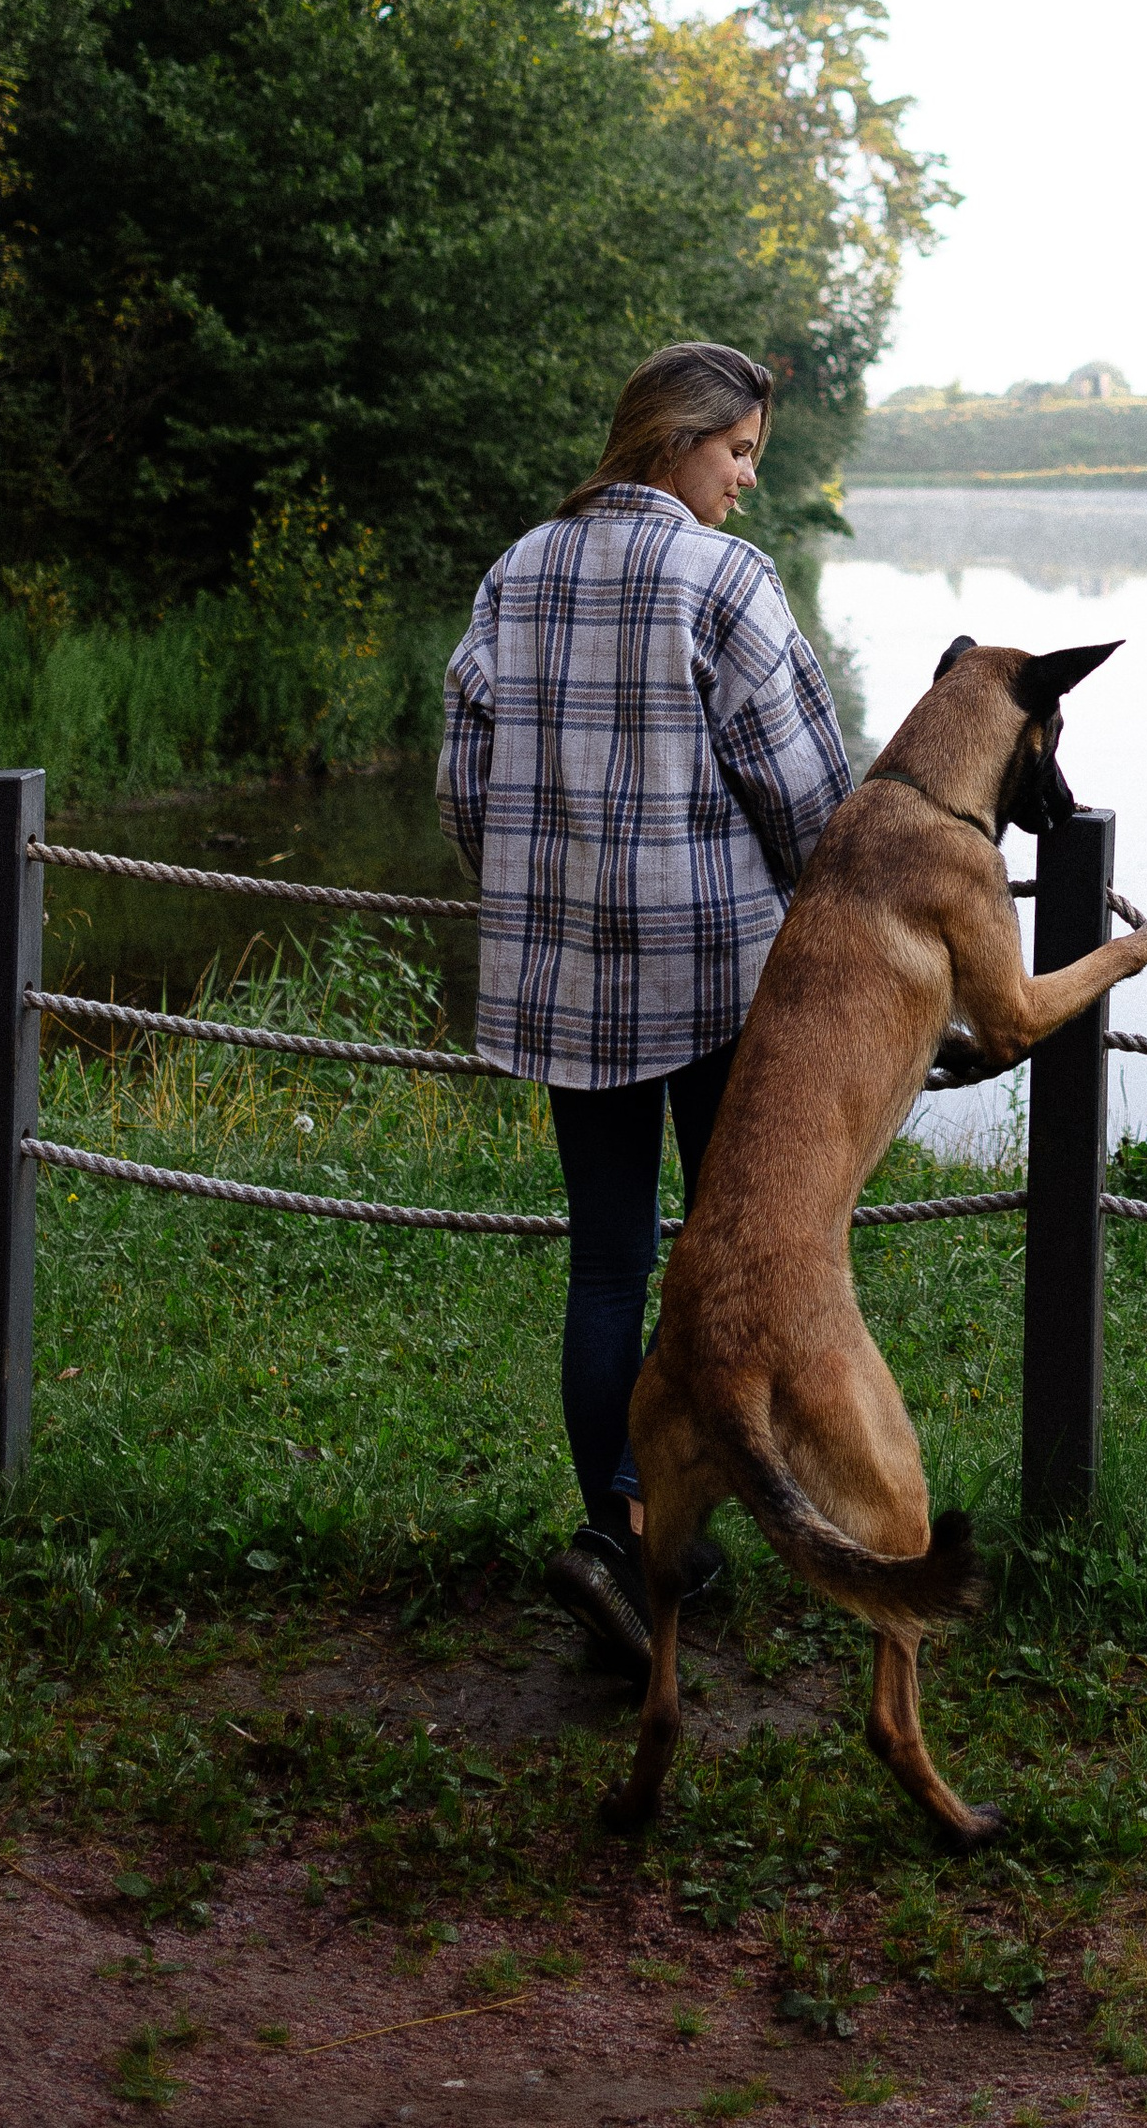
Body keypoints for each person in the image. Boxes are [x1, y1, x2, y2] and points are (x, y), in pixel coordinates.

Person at [438, 340, 852, 1675]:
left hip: (570, 990)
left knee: (609, 1258)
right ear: (675, 438)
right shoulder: (722, 579)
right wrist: (830, 930)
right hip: (716, 976)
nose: (744, 481)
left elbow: (465, 775)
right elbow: (801, 795)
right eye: (737, 451)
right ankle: (693, 1518)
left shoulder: (521, 565)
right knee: (736, 1257)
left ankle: (619, 1526)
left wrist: (529, 893)